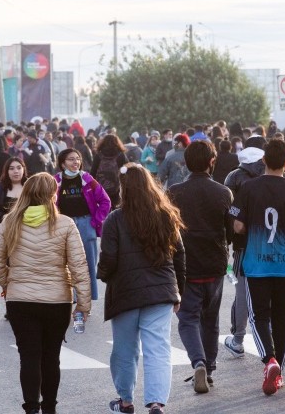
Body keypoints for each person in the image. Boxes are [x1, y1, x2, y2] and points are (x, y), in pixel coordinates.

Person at [0, 173, 90, 414]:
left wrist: (9, 284)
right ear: (52, 196)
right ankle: (50, 408)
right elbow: (79, 267)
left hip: (20, 300)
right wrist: (83, 304)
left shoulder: (10, 221)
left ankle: (31, 408)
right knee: (51, 357)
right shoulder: (65, 224)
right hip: (57, 301)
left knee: (29, 357)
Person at [98, 164, 185, 414]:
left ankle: (125, 400)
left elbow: (109, 258)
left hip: (125, 292)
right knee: (158, 348)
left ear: (124, 188)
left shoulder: (115, 219)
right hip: (161, 292)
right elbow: (180, 255)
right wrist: (178, 289)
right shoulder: (166, 214)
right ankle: (156, 402)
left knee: (125, 349)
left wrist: (103, 274)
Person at [229, 139, 285, 396]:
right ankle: (279, 371)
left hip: (256, 264)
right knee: (282, 318)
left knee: (258, 316)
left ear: (264, 161)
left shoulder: (248, 188)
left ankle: (269, 360)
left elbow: (238, 227)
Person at [168, 141, 233, 394]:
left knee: (187, 319)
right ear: (211, 162)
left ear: (185, 163)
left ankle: (198, 362)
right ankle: (211, 367)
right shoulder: (223, 192)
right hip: (215, 264)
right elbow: (229, 232)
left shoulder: (174, 192)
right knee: (211, 318)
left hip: (186, 265)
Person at [54, 148, 111, 301]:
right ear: (63, 163)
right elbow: (48, 202)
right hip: (64, 225)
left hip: (86, 224)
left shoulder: (87, 178)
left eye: (77, 159)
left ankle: (87, 298)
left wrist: (95, 221)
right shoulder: (55, 181)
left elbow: (106, 201)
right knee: (65, 262)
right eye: (71, 159)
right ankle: (69, 297)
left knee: (88, 264)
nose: (76, 162)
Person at [0, 157, 28, 235]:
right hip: (5, 232)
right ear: (7, 171)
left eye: (19, 168)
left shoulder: (31, 186)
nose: (16, 171)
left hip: (27, 233)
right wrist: (3, 217)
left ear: (23, 169)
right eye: (11, 169)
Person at [90, 134, 127, 208]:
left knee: (103, 206)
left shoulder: (98, 155)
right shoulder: (120, 155)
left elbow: (93, 171)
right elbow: (127, 169)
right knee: (115, 207)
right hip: (117, 187)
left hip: (101, 186)